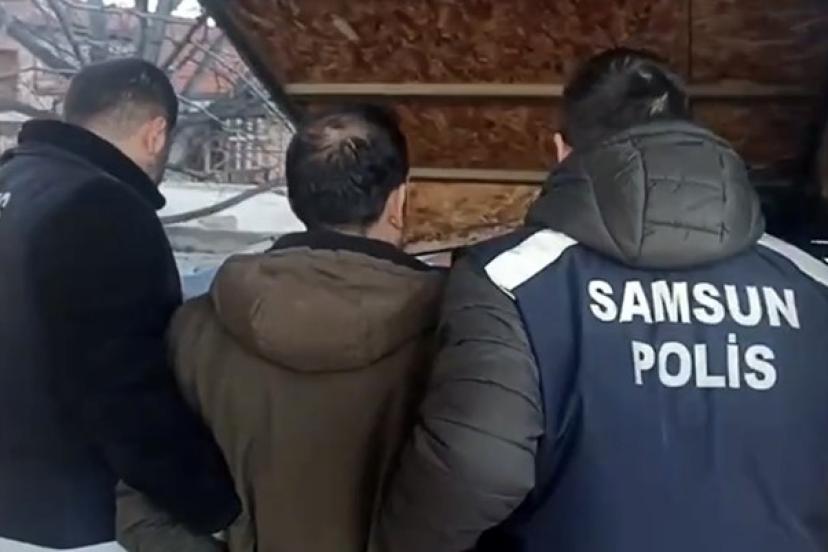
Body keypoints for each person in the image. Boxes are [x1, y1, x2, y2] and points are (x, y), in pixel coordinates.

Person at [376, 48, 828, 552]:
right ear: (687, 135)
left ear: (561, 151)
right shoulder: (813, 282)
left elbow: (476, 467)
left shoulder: (508, 279)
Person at [118, 104, 445, 552]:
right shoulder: (458, 335)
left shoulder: (194, 328)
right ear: (398, 201)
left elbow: (143, 503)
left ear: (294, 199)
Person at [0, 59, 240, 551]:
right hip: (70, 521)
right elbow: (127, 390)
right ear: (156, 133)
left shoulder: (14, 182)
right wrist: (213, 504)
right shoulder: (103, 210)